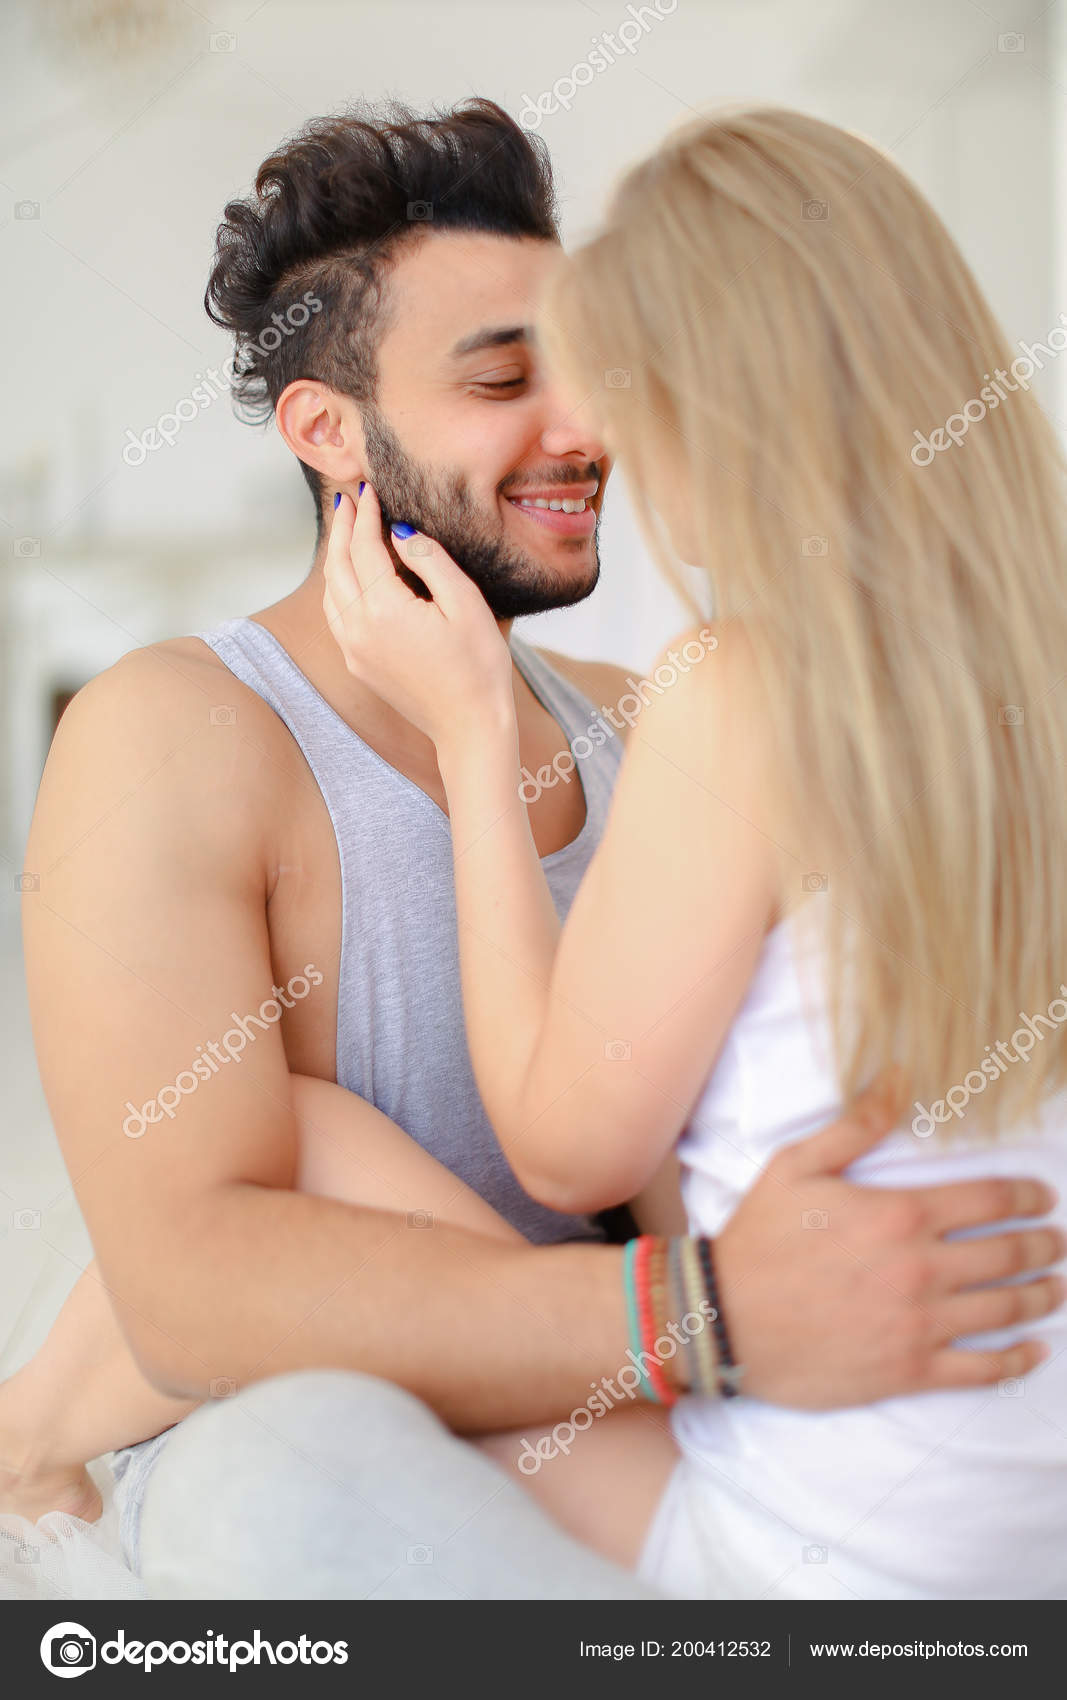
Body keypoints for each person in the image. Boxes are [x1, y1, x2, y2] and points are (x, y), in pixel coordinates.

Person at [4, 99, 1060, 1602]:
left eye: (601, 372)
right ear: (328, 431)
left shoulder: (669, 724)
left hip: (694, 1437)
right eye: (506, 378)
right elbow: (188, 1286)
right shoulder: (167, 735)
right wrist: (700, 1312)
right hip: (460, 1421)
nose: (591, 431)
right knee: (269, 1449)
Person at [319, 104, 1067, 1600]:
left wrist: (473, 736)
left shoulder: (740, 691)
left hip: (844, 1557)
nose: (594, 454)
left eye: (618, 414)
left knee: (313, 1150)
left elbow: (560, 1144)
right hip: (1029, 1531)